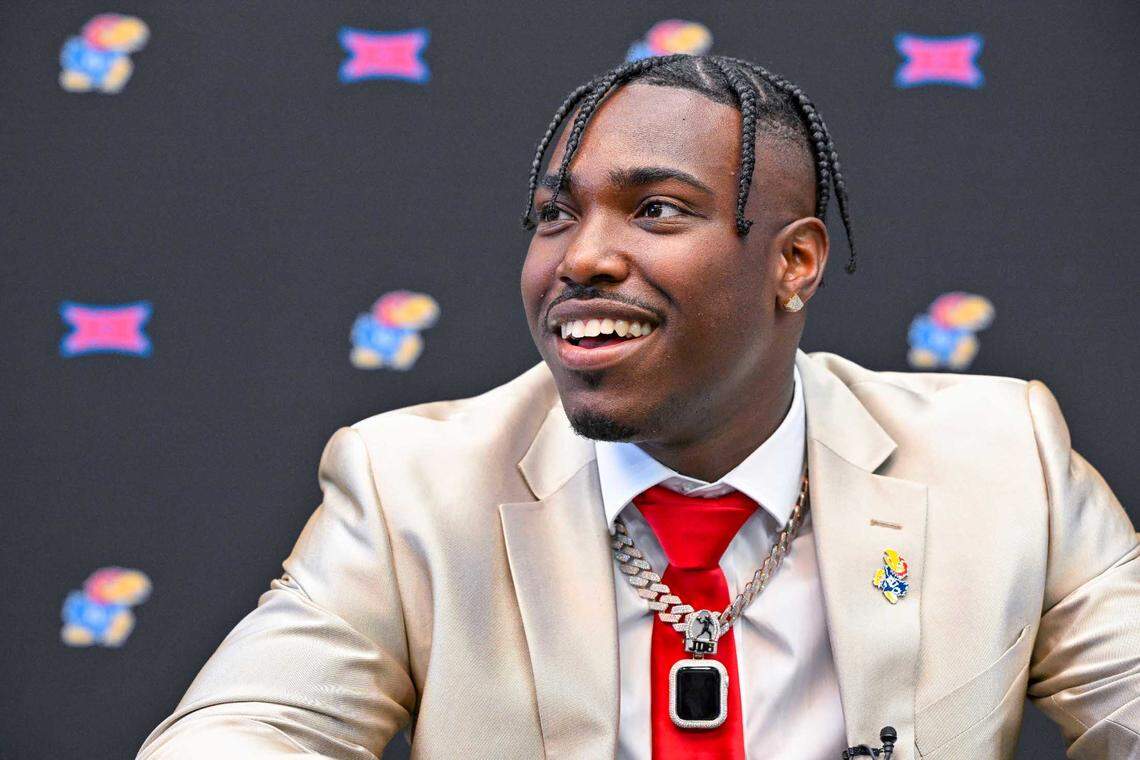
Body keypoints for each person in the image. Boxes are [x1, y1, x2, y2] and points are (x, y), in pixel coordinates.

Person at [136, 54, 1140, 759]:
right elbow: (251, 728)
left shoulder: (1003, 460)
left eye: (656, 210)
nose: (580, 258)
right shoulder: (412, 486)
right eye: (555, 217)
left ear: (793, 263)